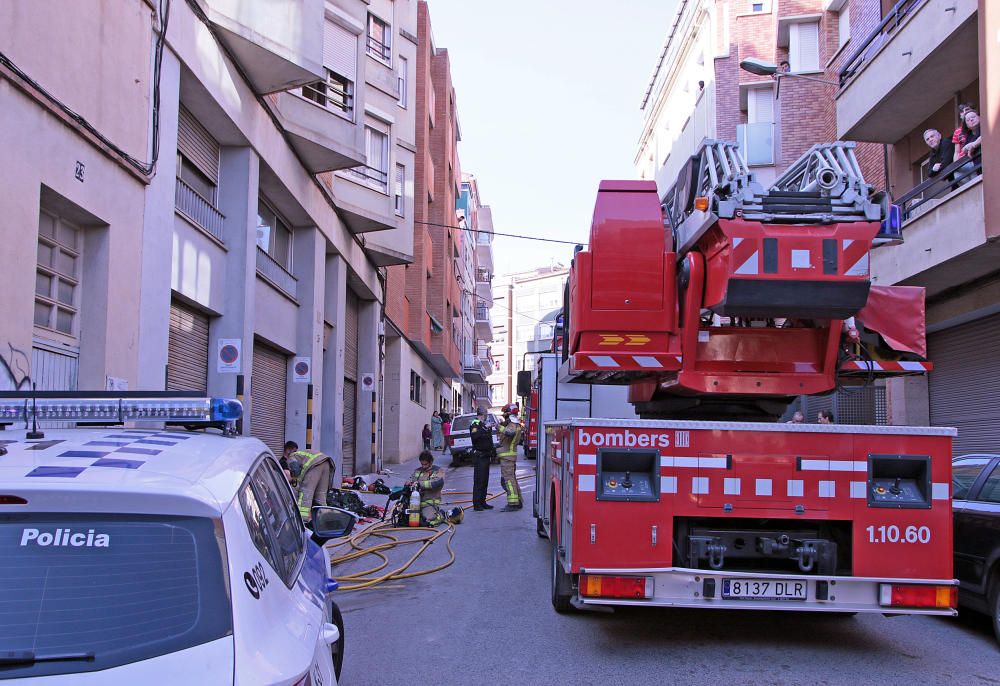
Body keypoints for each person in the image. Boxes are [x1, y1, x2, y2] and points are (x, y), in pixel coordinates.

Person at [287, 449, 334, 523]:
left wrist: (294, 480)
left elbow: (295, 471)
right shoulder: (302, 454)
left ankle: (302, 521)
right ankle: (323, 520)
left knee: (306, 492)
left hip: (315, 464)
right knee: (321, 495)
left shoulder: (291, 457)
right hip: (326, 462)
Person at [406, 450, 446, 525]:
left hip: (429, 503)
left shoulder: (438, 471)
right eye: (422, 464)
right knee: (405, 518)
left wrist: (420, 484)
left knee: (427, 520)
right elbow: (411, 479)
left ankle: (440, 514)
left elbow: (437, 483)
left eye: (426, 464)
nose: (423, 466)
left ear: (431, 462)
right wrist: (409, 483)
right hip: (415, 503)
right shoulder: (417, 471)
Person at [497, 403, 524, 512]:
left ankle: (513, 503)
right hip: (508, 457)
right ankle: (518, 501)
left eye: (505, 414)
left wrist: (499, 427)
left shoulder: (512, 425)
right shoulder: (514, 424)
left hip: (507, 457)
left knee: (508, 480)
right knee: (512, 480)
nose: (504, 417)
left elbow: (509, 433)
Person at [469, 407, 495, 511]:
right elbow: (475, 436)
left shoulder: (484, 424)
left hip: (486, 455)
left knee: (485, 480)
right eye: (486, 413)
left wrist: (492, 451)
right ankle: (477, 503)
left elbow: (488, 439)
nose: (487, 415)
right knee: (479, 480)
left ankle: (483, 501)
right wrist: (485, 428)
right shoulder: (475, 424)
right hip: (479, 456)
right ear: (482, 414)